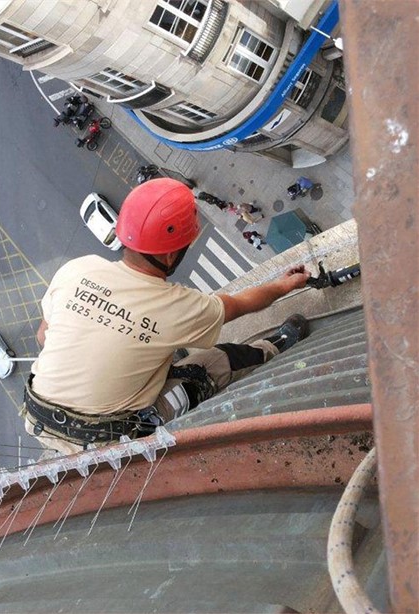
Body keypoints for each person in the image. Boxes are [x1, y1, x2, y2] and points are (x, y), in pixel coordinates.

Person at [22, 179, 311, 455]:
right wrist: (284, 285)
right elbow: (239, 305)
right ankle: (275, 346)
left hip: (37, 417)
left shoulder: (79, 270)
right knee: (215, 363)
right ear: (171, 255)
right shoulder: (176, 307)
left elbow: (43, 335)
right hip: (107, 439)